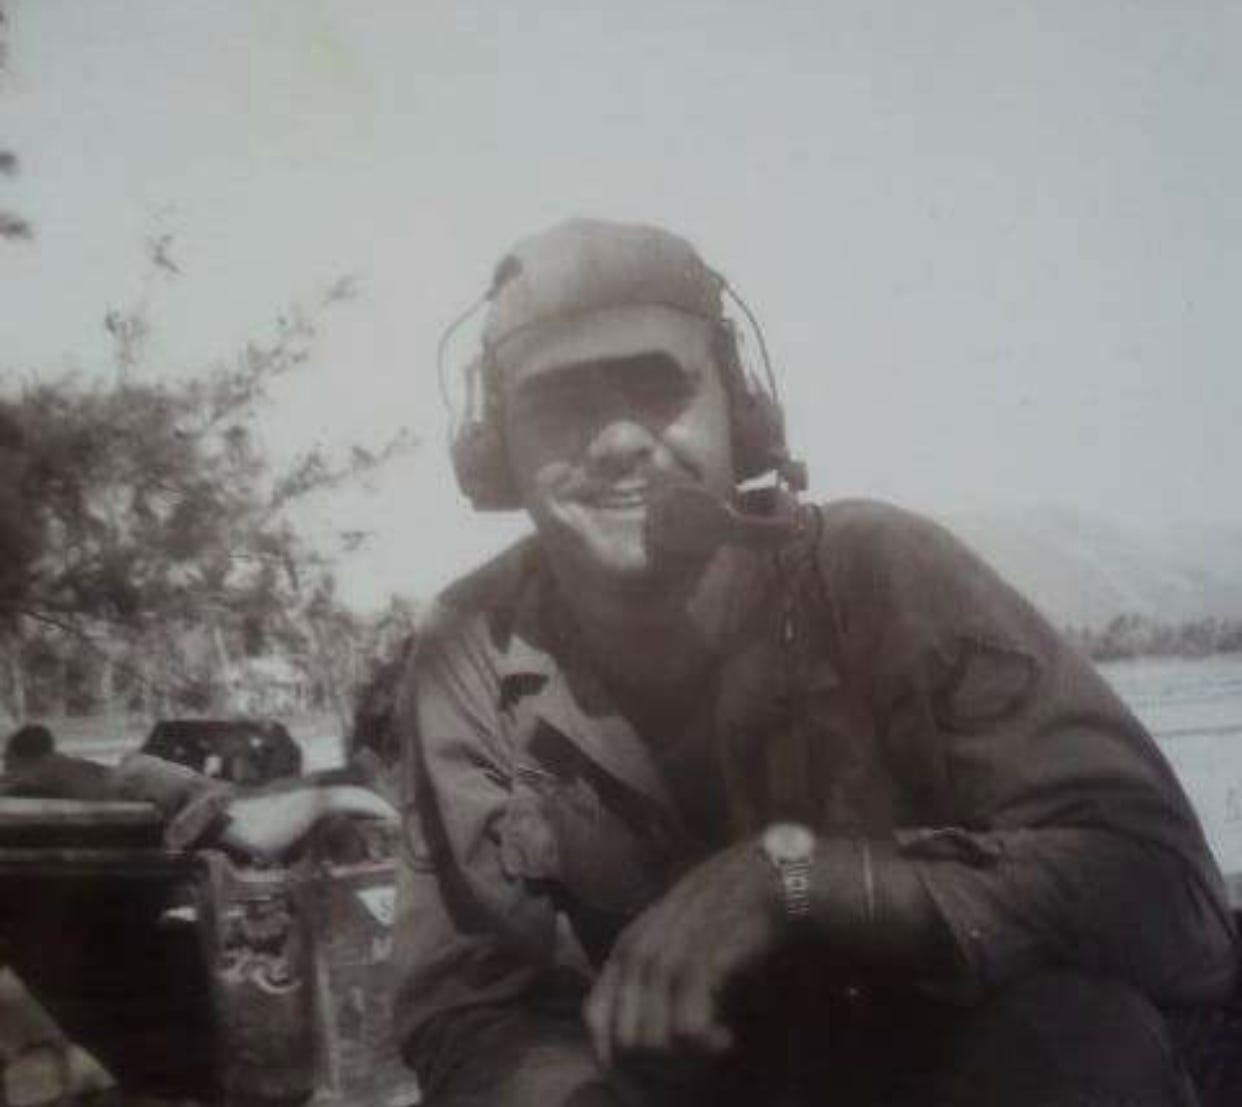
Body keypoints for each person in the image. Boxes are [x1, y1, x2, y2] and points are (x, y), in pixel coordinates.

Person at [392, 218, 1237, 1107]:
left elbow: (1175, 903)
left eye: (655, 385)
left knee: (1076, 1042)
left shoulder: (882, 580)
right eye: (559, 402)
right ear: (500, 449)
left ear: (739, 409)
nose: (615, 442)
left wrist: (806, 882)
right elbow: (472, 1008)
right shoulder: (470, 650)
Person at [1, 724, 116, 801]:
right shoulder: (65, 765)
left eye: (8, 761)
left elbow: (23, 785)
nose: (6, 766)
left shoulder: (41, 778)